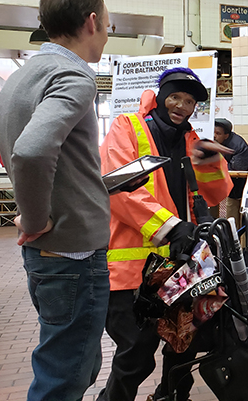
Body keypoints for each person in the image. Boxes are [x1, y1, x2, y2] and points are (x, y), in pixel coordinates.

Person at [0, 0, 112, 401]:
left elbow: (21, 154)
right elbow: (30, 152)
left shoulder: (20, 77)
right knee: (66, 374)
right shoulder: (75, 77)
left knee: (70, 359)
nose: (106, 34)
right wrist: (36, 217)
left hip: (48, 255)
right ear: (92, 21)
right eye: (108, 24)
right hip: (71, 252)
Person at [98, 67, 233, 401]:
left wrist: (211, 162)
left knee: (183, 347)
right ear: (160, 96)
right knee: (136, 355)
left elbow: (216, 194)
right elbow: (118, 189)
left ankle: (172, 397)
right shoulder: (126, 127)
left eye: (190, 101)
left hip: (181, 267)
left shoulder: (191, 141)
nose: (182, 106)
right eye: (175, 96)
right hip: (134, 267)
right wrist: (171, 229)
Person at [214, 118, 248, 225]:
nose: (214, 136)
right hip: (231, 189)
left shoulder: (238, 146)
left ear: (226, 135)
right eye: (213, 132)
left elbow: (237, 170)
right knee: (231, 220)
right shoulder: (213, 142)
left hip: (243, 190)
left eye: (218, 133)